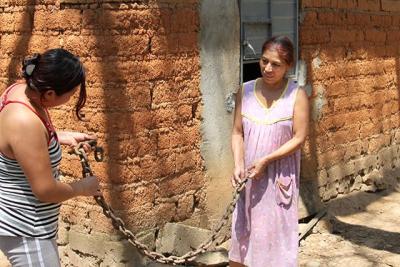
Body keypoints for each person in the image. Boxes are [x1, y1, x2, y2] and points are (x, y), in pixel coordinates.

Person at [0, 48, 102, 267]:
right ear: (49, 94)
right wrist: (83, 187)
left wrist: (58, 138)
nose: (72, 98)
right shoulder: (25, 123)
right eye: (72, 93)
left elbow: (15, 141)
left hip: (25, 220)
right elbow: (45, 190)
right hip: (26, 227)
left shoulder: (20, 90)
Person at [229, 36, 309, 267]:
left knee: (274, 242)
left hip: (278, 181)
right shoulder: (245, 91)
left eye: (276, 64)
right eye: (264, 61)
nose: (268, 68)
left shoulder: (296, 95)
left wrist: (267, 159)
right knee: (243, 239)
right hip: (249, 179)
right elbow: (237, 133)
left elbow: (299, 138)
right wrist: (237, 164)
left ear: (288, 66)